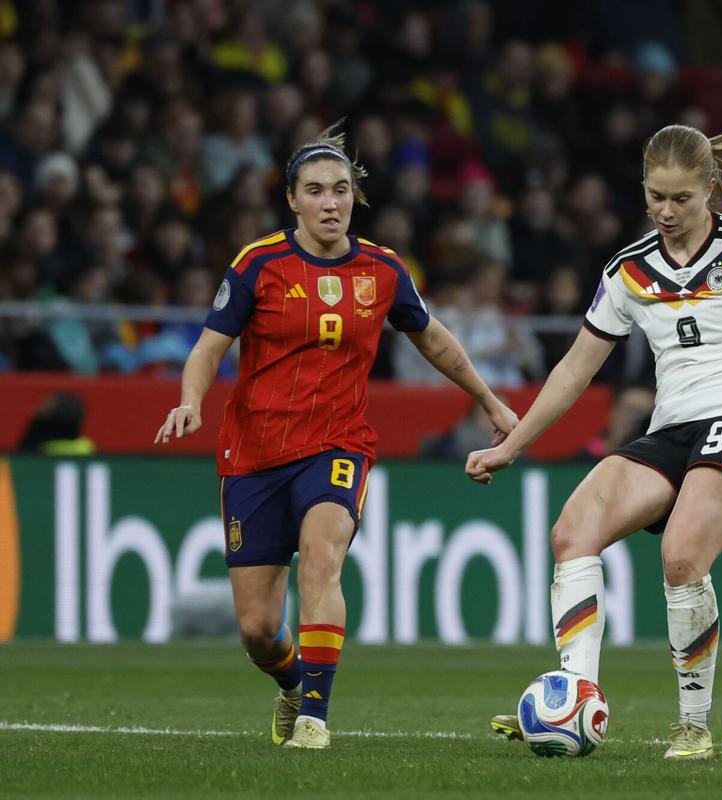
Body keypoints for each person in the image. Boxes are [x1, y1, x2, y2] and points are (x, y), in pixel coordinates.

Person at [466, 124, 722, 760]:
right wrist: (513, 444)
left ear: (710, 190)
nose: (666, 211)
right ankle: (576, 697)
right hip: (671, 428)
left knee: (681, 556)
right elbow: (575, 369)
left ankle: (693, 726)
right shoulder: (628, 269)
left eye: (681, 199)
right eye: (655, 197)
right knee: (571, 533)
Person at [153, 124, 517, 750]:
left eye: (341, 189)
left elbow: (431, 337)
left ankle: (314, 720)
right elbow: (209, 348)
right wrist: (190, 400)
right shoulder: (257, 264)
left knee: (322, 557)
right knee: (258, 628)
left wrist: (487, 399)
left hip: (337, 443)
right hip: (254, 452)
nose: (330, 202)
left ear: (355, 196)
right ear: (292, 200)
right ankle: (293, 684)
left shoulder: (383, 268)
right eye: (316, 191)